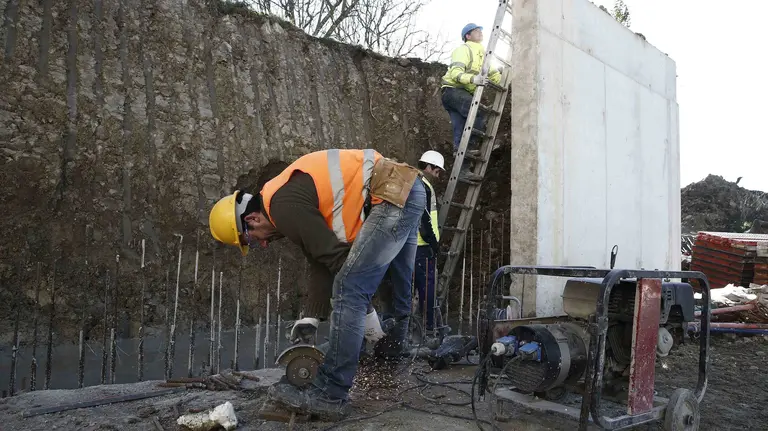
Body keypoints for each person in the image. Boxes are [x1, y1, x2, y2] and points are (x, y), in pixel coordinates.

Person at [208, 149, 427, 420]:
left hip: (389, 196)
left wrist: (366, 312)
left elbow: (337, 261)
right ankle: (391, 351)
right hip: (406, 187)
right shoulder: (283, 199)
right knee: (395, 280)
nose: (262, 244)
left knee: (348, 289)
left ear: (251, 219)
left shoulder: (281, 206)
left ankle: (330, 393)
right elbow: (320, 256)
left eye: (251, 240)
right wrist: (312, 316)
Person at [440, 23, 502, 181]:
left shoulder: (483, 54)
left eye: (480, 30)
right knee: (477, 112)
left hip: (460, 94)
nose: (480, 33)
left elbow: (493, 74)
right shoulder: (464, 50)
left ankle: (462, 170)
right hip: (453, 91)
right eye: (476, 31)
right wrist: (474, 79)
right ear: (467, 36)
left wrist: (507, 81)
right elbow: (455, 73)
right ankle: (469, 148)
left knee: (461, 130)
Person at [413, 150, 444, 333]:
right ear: (429, 167)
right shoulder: (423, 186)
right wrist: (433, 244)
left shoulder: (414, 182)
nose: (438, 176)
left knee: (411, 288)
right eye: (437, 171)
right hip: (422, 247)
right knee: (427, 288)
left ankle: (411, 329)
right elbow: (424, 220)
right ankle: (430, 328)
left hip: (411, 246)